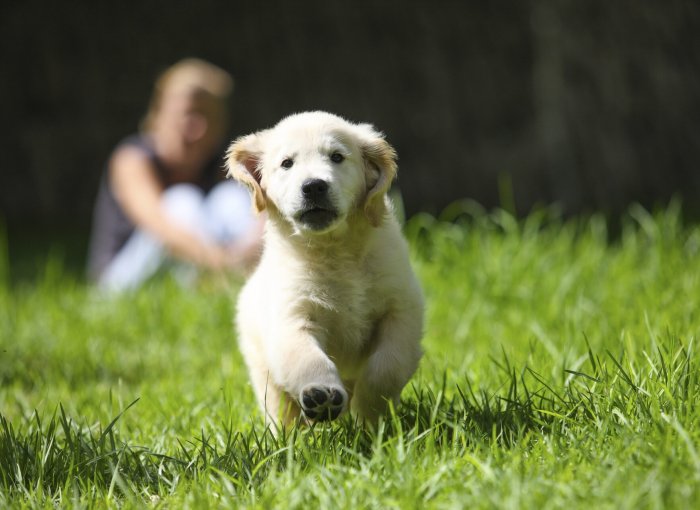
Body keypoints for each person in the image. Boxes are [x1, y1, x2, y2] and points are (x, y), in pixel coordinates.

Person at [87, 58, 263, 291]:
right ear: (159, 114)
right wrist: (222, 263)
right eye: (187, 114)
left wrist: (249, 248)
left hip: (203, 271)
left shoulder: (221, 163)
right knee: (181, 200)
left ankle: (252, 282)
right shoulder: (132, 159)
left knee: (230, 198)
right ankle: (228, 282)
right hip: (120, 283)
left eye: (207, 117)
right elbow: (160, 225)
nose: (196, 128)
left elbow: (264, 215)